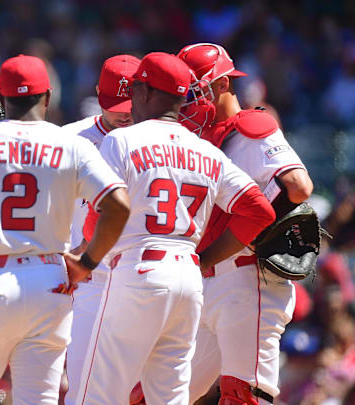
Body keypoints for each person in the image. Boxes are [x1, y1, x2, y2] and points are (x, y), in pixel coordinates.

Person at [0, 54, 131, 404]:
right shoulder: (73, 144)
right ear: (48, 97)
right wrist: (87, 262)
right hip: (50, 284)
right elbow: (118, 205)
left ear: (2, 99)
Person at [71, 52, 276, 405]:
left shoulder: (121, 140)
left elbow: (100, 214)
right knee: (169, 396)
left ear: (146, 93)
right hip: (188, 278)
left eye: (137, 88)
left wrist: (86, 254)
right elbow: (259, 211)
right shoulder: (205, 150)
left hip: (137, 270)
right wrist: (205, 259)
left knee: (98, 394)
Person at [177, 42, 313, 404]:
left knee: (243, 396)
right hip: (208, 282)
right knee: (159, 393)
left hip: (248, 278)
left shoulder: (250, 126)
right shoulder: (199, 139)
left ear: (222, 85)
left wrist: (257, 231)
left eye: (195, 92)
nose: (188, 102)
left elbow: (299, 186)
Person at [61, 54, 140, 404]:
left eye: (131, 103)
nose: (124, 113)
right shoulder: (68, 139)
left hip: (139, 280)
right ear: (98, 94)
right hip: (85, 283)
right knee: (83, 388)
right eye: (116, 104)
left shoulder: (158, 139)